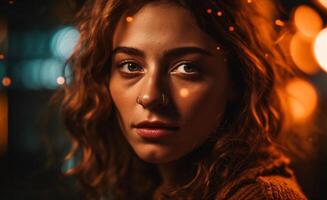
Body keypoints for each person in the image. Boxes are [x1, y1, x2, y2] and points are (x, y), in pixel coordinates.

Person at [58, 0, 308, 199]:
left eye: (187, 67)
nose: (150, 96)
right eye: (131, 66)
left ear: (237, 80)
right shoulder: (156, 187)